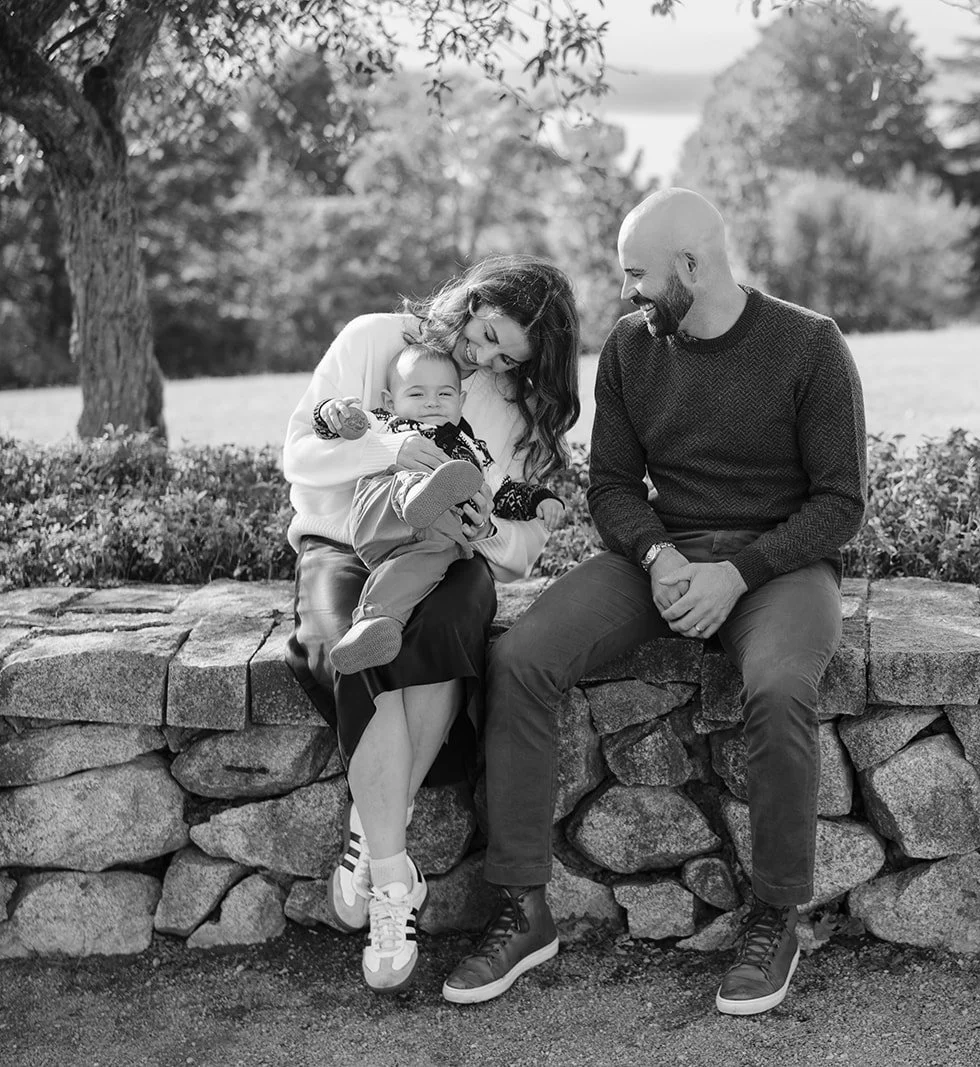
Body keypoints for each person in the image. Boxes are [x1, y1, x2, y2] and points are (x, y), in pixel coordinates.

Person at [444, 189, 867, 1016]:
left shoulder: (810, 346)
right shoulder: (634, 347)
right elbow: (609, 485)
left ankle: (777, 915)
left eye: (638, 273)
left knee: (780, 689)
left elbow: (840, 503)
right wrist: (661, 553)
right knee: (521, 657)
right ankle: (522, 908)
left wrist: (736, 572)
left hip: (778, 568)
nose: (628, 290)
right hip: (658, 558)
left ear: (692, 264)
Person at [281, 256, 580, 995]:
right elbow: (299, 454)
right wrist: (389, 448)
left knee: (443, 637)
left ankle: (370, 839)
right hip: (344, 541)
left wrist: (483, 527)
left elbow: (517, 551)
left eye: (508, 357)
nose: (485, 360)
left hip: (452, 559)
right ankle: (393, 873)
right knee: (344, 647)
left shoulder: (511, 408)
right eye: (485, 336)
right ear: (471, 301)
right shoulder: (374, 340)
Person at [314, 341, 565, 674]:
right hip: (384, 512)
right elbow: (343, 427)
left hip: (430, 540)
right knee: (404, 479)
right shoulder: (389, 424)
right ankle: (419, 494)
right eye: (417, 395)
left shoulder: (473, 450)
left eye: (444, 395)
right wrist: (333, 413)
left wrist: (539, 499)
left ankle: (374, 626)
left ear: (460, 401)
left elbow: (503, 491)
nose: (432, 402)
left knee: (418, 571)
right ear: (391, 401)